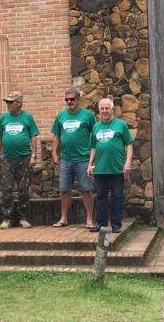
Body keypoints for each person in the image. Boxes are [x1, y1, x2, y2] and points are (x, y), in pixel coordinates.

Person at [87, 98, 133, 233]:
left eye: (107, 108)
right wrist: (90, 164)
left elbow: (129, 144)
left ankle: (116, 225)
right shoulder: (96, 126)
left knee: (117, 196)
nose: (104, 111)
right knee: (100, 197)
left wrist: (128, 163)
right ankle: (101, 225)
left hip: (117, 168)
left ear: (112, 109)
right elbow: (93, 147)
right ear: (99, 110)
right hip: (100, 169)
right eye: (102, 108)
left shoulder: (121, 124)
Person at [51, 87, 95, 229]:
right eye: (67, 99)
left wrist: (93, 158)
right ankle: (63, 218)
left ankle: (89, 219)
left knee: (86, 189)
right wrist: (54, 153)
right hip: (65, 159)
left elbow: (95, 136)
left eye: (72, 99)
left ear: (78, 100)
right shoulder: (61, 116)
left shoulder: (88, 115)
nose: (69, 102)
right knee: (64, 189)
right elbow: (56, 137)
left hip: (83, 159)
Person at [0, 91, 39, 229]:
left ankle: (23, 218)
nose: (8, 104)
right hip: (7, 158)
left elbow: (33, 136)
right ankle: (6, 218)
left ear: (19, 103)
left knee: (23, 188)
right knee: (7, 188)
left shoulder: (27, 117)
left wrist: (33, 155)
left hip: (24, 158)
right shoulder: (3, 118)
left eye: (11, 102)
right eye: (7, 102)